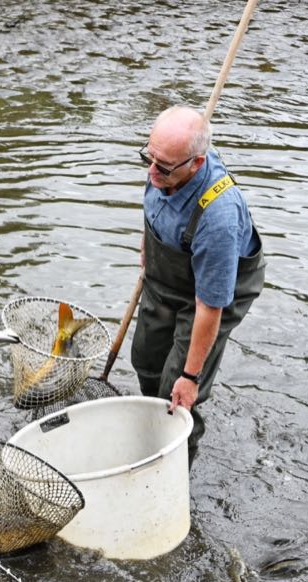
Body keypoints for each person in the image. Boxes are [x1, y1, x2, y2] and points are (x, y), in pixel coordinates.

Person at [130, 105, 265, 466]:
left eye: (163, 166)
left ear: (197, 164)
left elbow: (209, 307)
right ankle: (151, 430)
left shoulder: (218, 217)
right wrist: (148, 242)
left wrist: (190, 377)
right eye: (149, 156)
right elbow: (154, 196)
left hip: (213, 292)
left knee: (176, 391)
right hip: (168, 273)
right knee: (144, 360)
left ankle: (175, 465)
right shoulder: (165, 160)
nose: (151, 170)